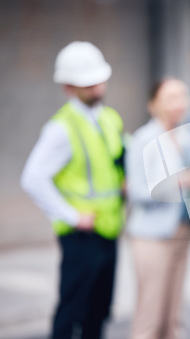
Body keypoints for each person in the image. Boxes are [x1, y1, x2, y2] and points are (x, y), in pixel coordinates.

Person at [21, 41, 125, 339]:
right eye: (87, 83)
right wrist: (70, 215)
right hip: (81, 236)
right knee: (71, 311)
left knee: (98, 312)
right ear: (68, 87)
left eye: (98, 80)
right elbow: (32, 178)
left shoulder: (110, 119)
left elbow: (115, 162)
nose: (96, 87)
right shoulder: (61, 129)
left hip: (108, 231)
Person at [126, 78, 190, 339]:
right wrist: (177, 182)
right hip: (151, 237)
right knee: (149, 320)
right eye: (170, 98)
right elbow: (137, 191)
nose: (178, 103)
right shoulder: (144, 139)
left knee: (174, 320)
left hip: (182, 232)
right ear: (153, 104)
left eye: (182, 96)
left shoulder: (187, 136)